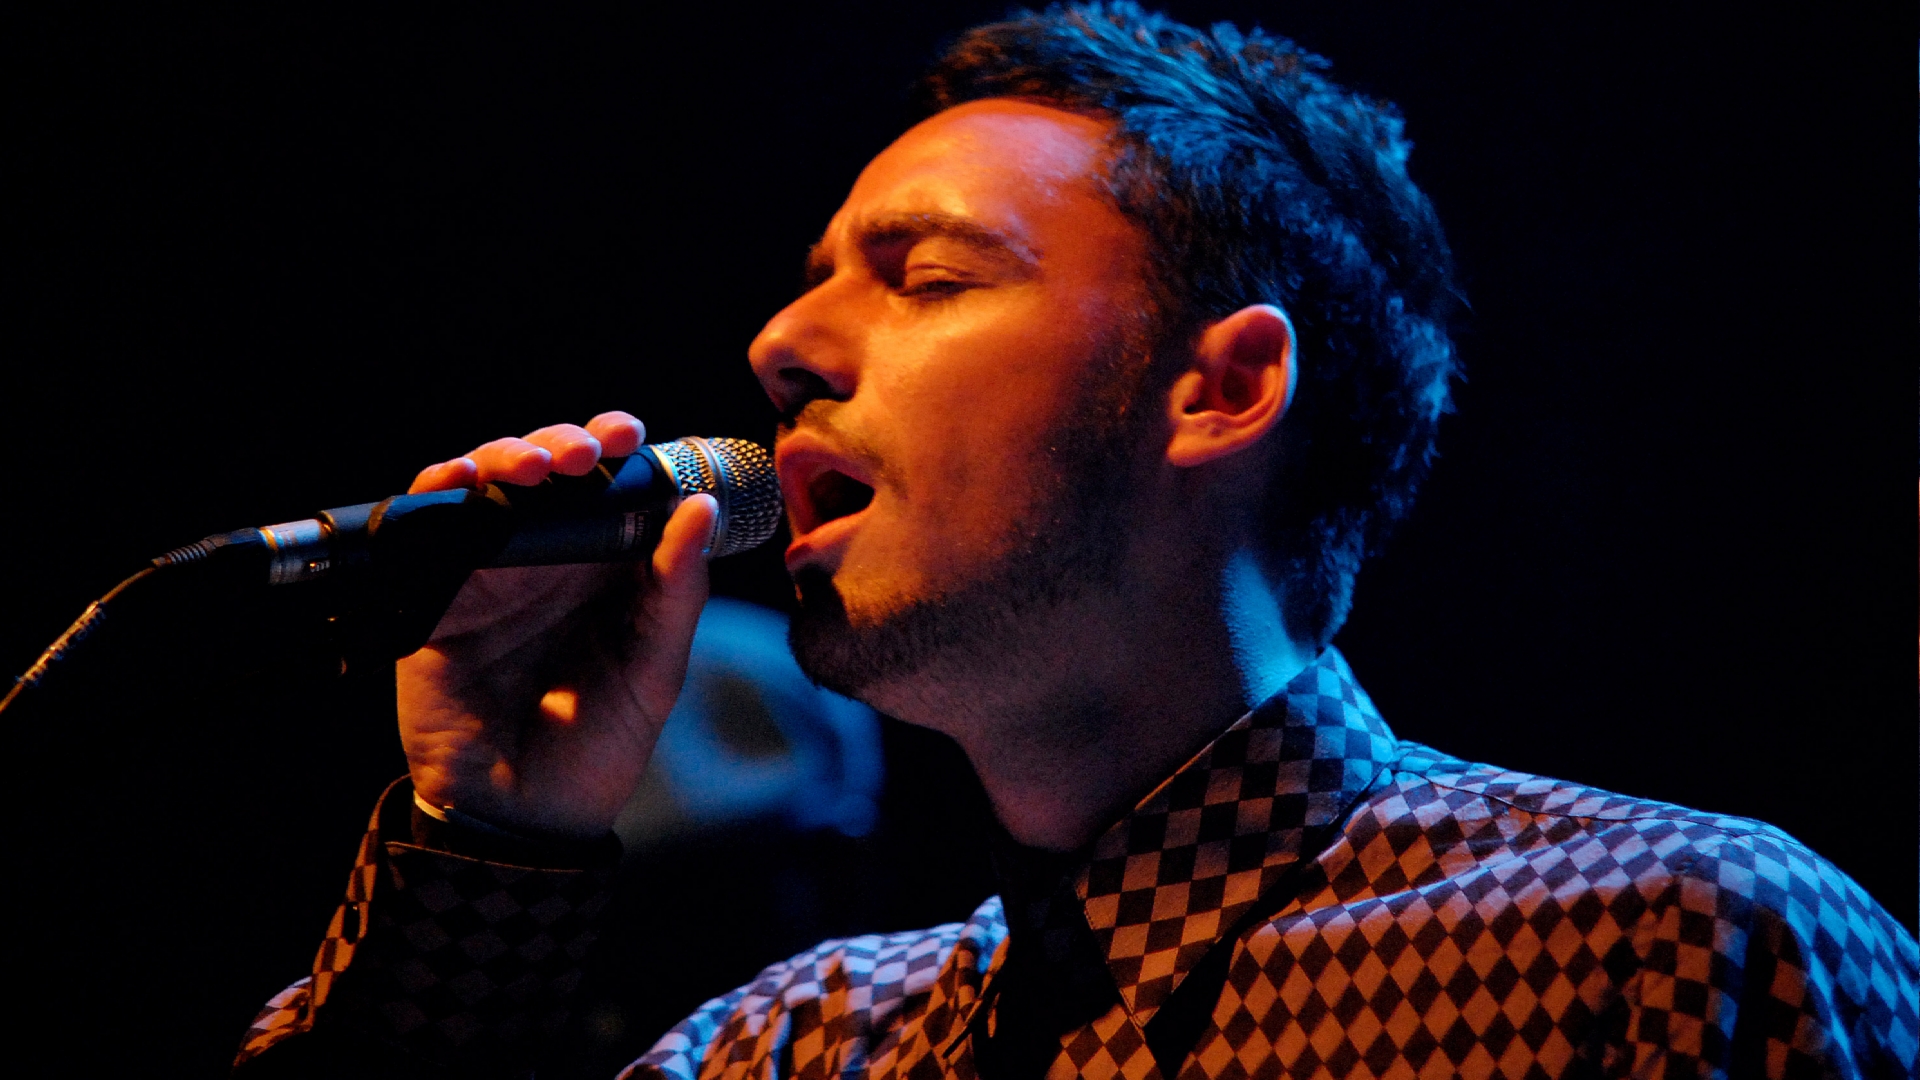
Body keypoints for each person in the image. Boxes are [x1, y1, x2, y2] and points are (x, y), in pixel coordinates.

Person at [233, 4, 1919, 1078]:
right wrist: (488, 837)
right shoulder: (804, 1046)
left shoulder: (1656, 942)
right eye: (812, 283)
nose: (781, 345)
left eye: (928, 276)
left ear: (1222, 388)